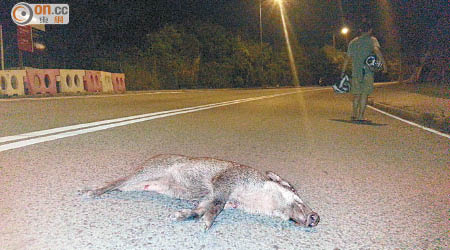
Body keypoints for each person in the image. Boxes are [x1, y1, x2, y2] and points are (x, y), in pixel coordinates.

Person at [341, 20, 387, 121]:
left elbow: (347, 58)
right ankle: (361, 116)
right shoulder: (372, 40)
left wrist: (343, 71)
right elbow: (377, 50)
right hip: (367, 72)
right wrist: (384, 65)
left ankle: (354, 114)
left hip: (356, 72)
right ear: (370, 30)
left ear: (360, 30)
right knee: (364, 94)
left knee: (356, 94)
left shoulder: (352, 42)